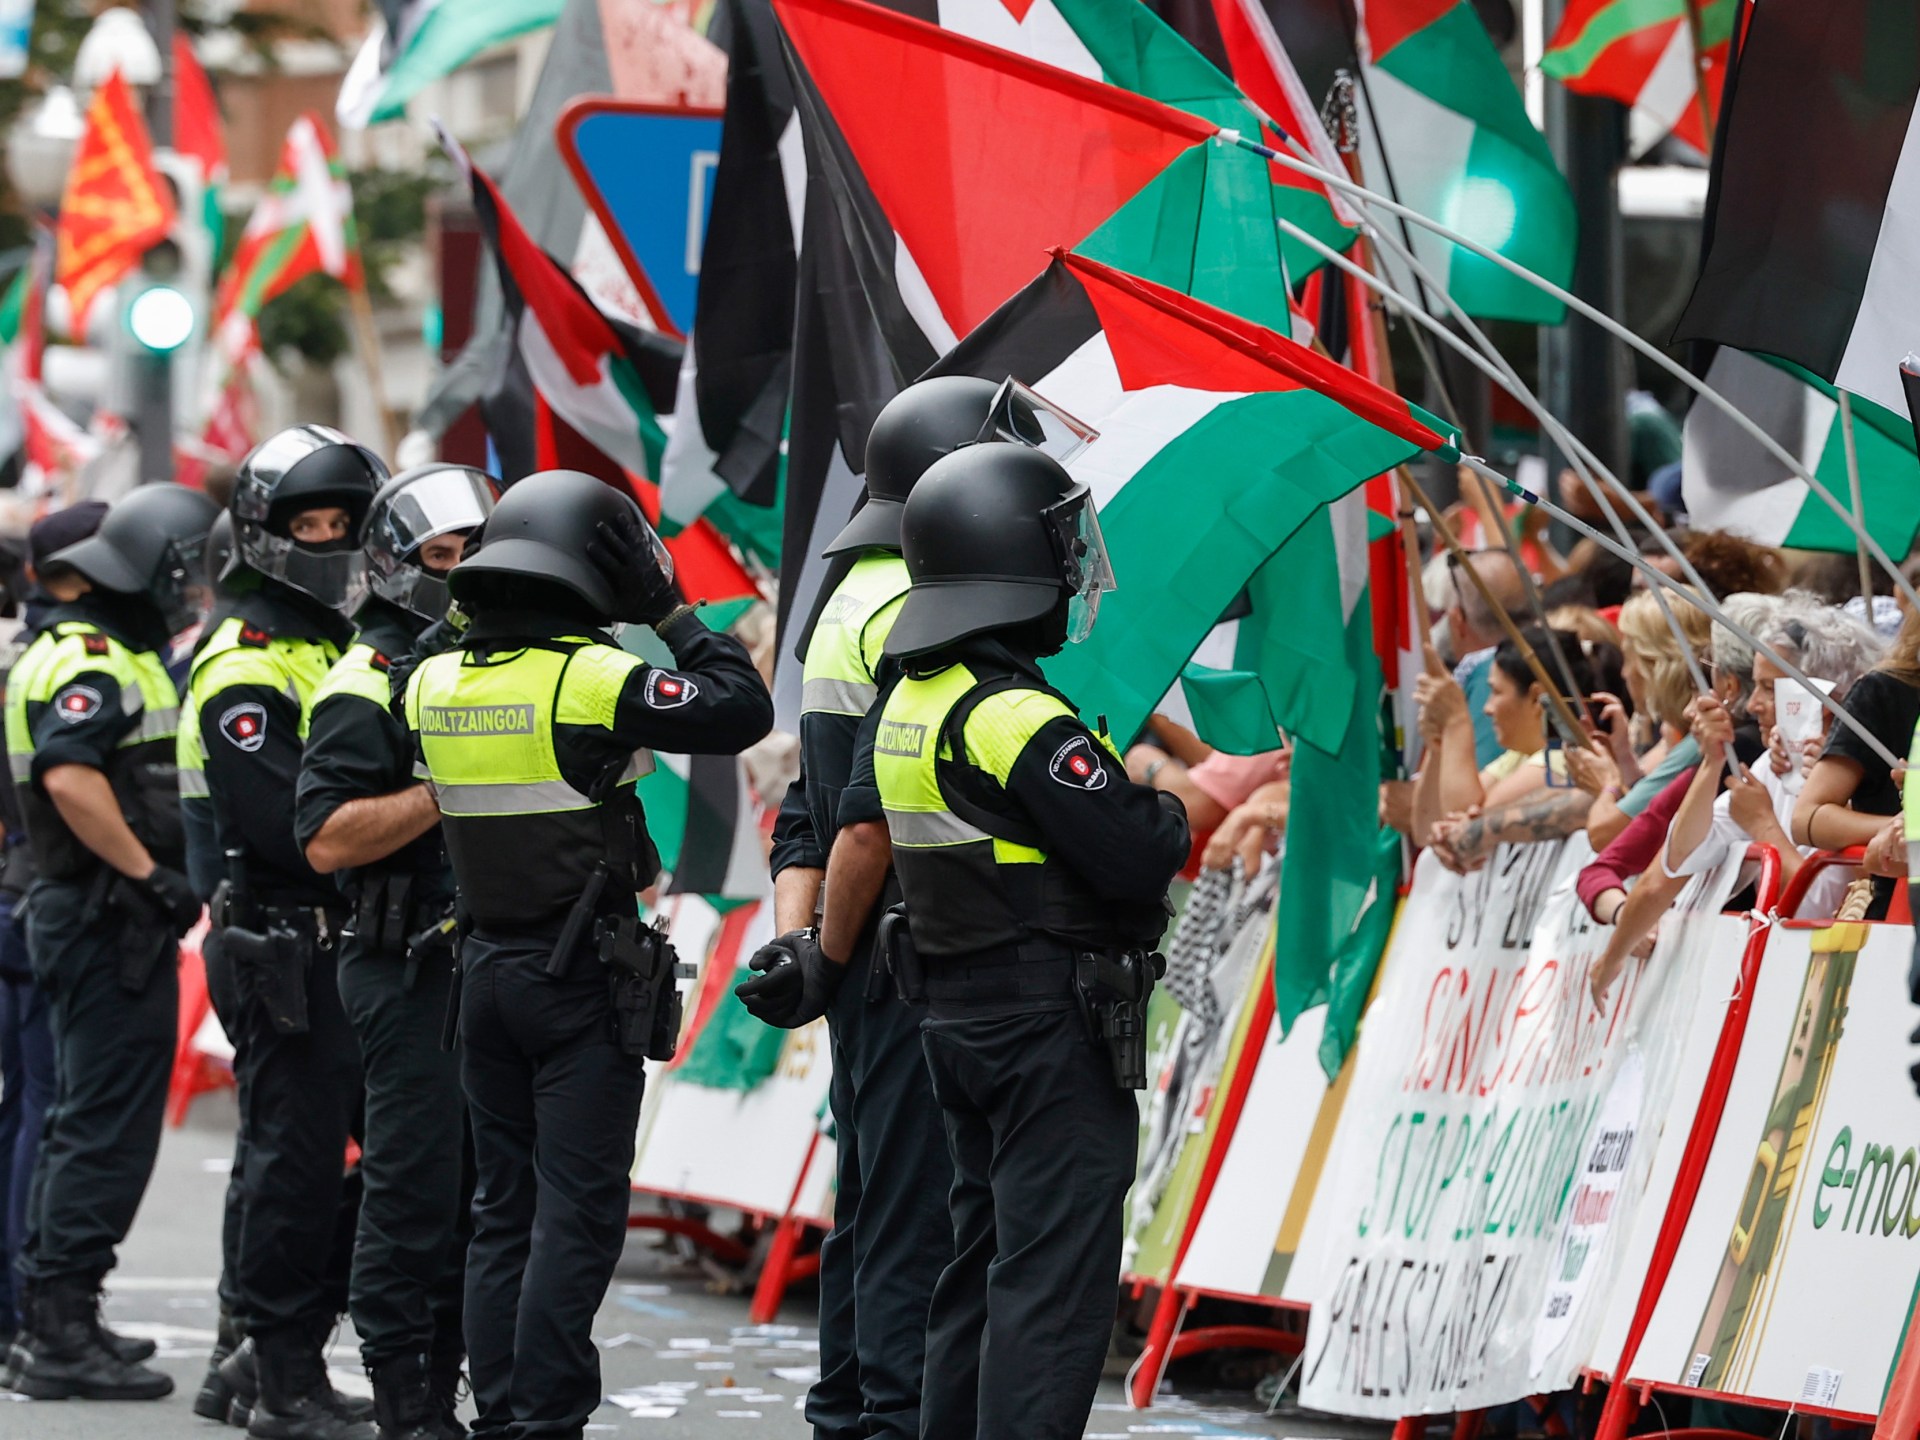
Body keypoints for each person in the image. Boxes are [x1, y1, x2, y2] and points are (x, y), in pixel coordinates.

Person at [815, 444, 1188, 1440]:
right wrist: (1168, 800)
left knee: (976, 1270)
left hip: (960, 1016)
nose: (1074, 573)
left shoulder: (910, 699)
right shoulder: (1013, 712)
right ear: (1012, 567)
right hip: (1046, 1029)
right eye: (1060, 549)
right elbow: (1134, 852)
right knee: (1050, 1292)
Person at [402, 469, 771, 1440]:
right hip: (578, 981)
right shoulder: (588, 677)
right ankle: (547, 1416)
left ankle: (503, 1414)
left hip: (484, 973)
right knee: (577, 1213)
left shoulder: (433, 681)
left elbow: (450, 659)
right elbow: (738, 708)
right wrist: (670, 611)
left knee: (503, 1209)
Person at [739, 378, 1000, 1439]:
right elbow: (867, 819)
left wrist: (810, 950)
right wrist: (836, 951)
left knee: (874, 1197)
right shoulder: (913, 605)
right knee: (914, 1212)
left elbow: (810, 803)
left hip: (864, 951)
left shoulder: (850, 595)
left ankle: (846, 1408)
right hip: (908, 945)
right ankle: (890, 1416)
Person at [188, 425, 389, 1440]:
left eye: (341, 523)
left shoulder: (330, 646)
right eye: (307, 524)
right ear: (265, 532)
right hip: (284, 943)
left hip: (337, 946)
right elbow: (289, 831)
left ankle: (261, 1351)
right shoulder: (247, 661)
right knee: (296, 1167)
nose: (326, 541)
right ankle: (280, 1376)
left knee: (372, 1161)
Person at [2, 483, 219, 1399]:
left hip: (78, 911)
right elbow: (68, 773)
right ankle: (59, 1331)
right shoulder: (100, 662)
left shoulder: (70, 646)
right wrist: (149, 874)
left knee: (71, 1122)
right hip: (102, 917)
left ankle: (60, 1317)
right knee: (98, 1129)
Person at [295, 465, 494, 1440]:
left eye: (476, 555)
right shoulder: (362, 679)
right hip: (400, 959)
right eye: (442, 557)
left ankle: (448, 1381)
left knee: (473, 1192)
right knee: (411, 1184)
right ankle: (400, 1393)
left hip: (482, 963)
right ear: (395, 565)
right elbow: (326, 836)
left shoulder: (487, 666)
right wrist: (446, 785)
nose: (462, 574)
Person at [0, 508, 101, 1354]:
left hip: (21, 890)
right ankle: (38, 1309)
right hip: (38, 892)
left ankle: (18, 1305)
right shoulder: (61, 659)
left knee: (30, 1106)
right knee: (48, 1104)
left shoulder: (28, 651)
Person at [1440, 549, 1530, 767]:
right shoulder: (1545, 657)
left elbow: (1471, 787)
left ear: (1458, 620)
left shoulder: (1487, 679)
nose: (1491, 708)